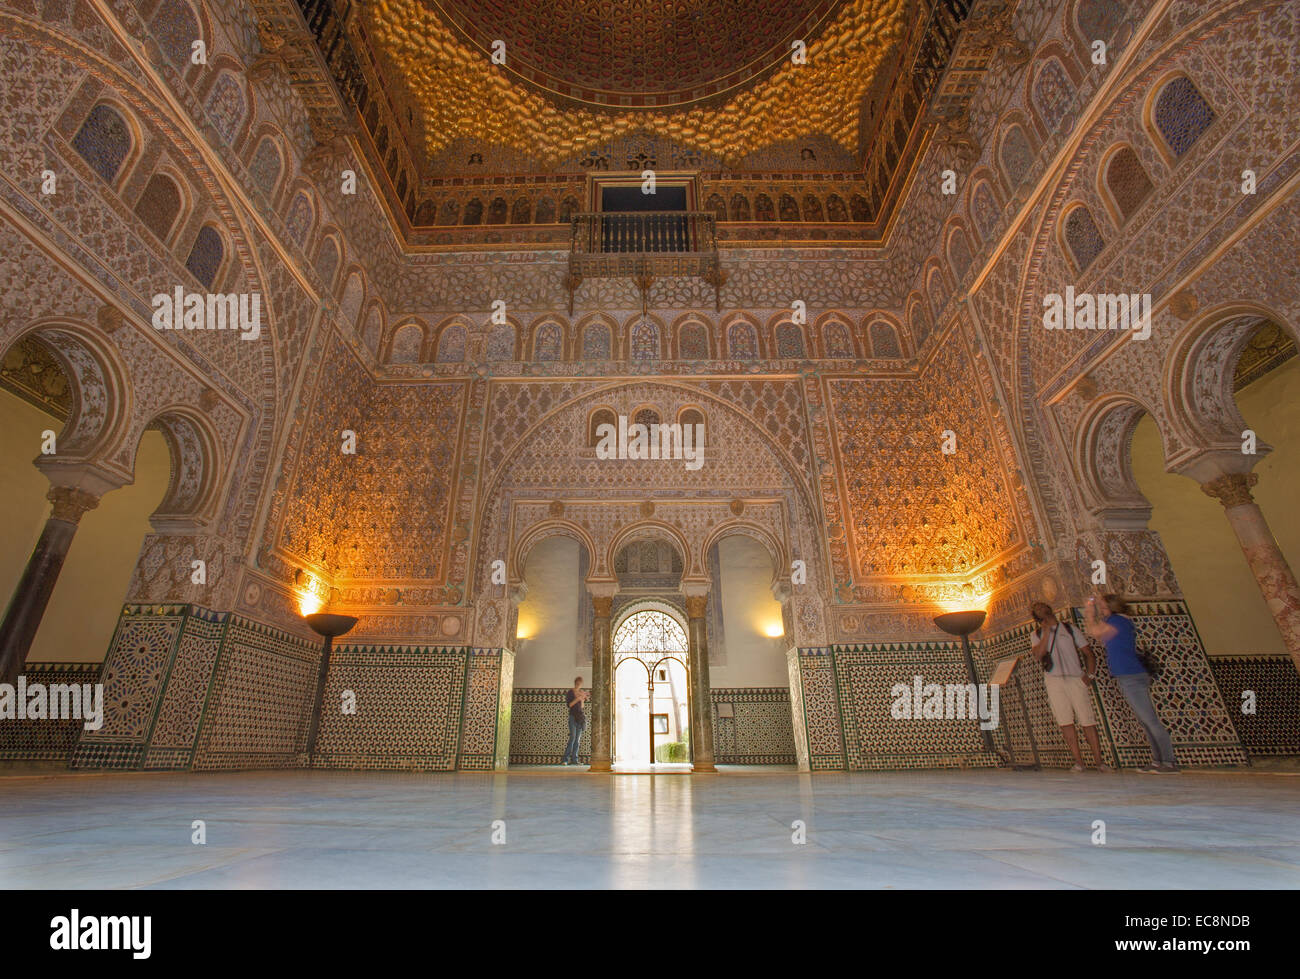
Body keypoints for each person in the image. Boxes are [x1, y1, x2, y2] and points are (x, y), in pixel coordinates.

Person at [1084, 593, 1178, 773]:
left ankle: (1169, 762)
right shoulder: (1116, 621)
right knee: (1145, 721)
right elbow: (1098, 634)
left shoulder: (1118, 621)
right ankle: (1158, 761)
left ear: (1113, 607)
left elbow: (1094, 631)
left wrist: (1088, 612)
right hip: (1127, 676)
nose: (1101, 610)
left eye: (1103, 607)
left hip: (1132, 675)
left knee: (1150, 720)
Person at [1029, 602, 1110, 772]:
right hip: (1054, 680)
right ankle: (1079, 762)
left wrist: (1090, 675)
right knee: (1065, 721)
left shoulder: (1070, 629)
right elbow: (1038, 655)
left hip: (1075, 678)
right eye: (1037, 609)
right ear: (1037, 617)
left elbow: (1089, 653)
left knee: (1087, 720)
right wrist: (1045, 634)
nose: (1041, 609)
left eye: (1042, 606)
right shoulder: (1036, 634)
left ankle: (1099, 761)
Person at [562, 676, 589, 766]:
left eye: (580, 683)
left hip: (580, 717)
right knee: (572, 738)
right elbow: (569, 705)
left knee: (577, 740)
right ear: (575, 683)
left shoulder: (581, 692)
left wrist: (582, 699)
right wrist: (578, 698)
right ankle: (565, 759)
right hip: (573, 717)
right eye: (577, 683)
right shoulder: (571, 692)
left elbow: (581, 707)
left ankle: (574, 760)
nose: (579, 685)